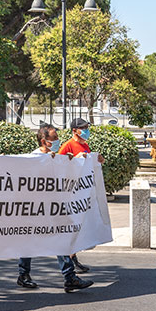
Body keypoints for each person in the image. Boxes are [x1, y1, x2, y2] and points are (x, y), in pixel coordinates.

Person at [16, 124, 94, 293]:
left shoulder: (56, 158)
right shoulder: (33, 158)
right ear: (44, 141)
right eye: (54, 139)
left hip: (53, 207)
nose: (58, 141)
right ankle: (24, 275)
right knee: (28, 241)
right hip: (36, 208)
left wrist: (76, 162)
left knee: (62, 238)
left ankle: (69, 277)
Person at [56, 117, 99, 274]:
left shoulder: (85, 145)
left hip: (82, 193)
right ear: (74, 130)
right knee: (71, 230)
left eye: (87, 127)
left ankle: (72, 258)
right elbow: (58, 165)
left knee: (79, 229)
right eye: (84, 128)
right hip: (70, 193)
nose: (86, 130)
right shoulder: (67, 145)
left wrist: (98, 160)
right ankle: (70, 263)